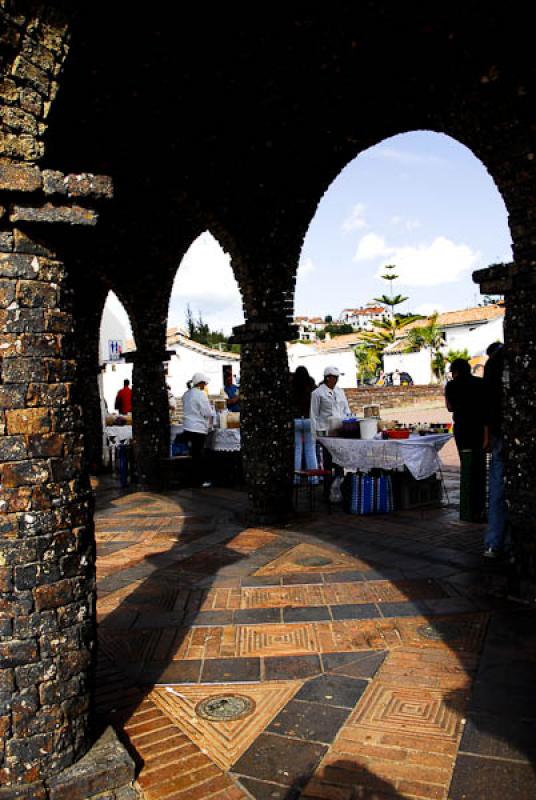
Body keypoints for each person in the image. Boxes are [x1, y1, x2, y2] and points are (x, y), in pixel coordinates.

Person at [445, 358, 486, 521]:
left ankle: (468, 507)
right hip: (479, 427)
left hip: (462, 428)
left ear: (454, 372)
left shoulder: (451, 385)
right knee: (480, 466)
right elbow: (485, 408)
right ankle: (479, 506)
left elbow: (450, 407)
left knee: (466, 464)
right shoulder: (480, 383)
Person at [482, 342, 508, 558]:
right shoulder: (498, 361)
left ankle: (494, 542)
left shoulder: (493, 363)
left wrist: (487, 434)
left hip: (498, 430)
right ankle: (497, 542)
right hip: (501, 430)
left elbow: (488, 405)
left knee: (498, 488)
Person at [310, 366, 350, 495]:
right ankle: (328, 491)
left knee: (340, 461)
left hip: (339, 431)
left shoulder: (340, 392)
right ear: (328, 378)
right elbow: (314, 414)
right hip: (325, 432)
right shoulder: (317, 393)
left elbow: (346, 410)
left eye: (337, 377)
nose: (336, 380)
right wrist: (315, 434)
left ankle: (340, 489)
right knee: (328, 462)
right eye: (334, 377)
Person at [182, 372, 213, 488]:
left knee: (192, 454)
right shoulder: (200, 395)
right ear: (200, 383)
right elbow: (208, 412)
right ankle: (199, 481)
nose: (205, 386)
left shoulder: (186, 394)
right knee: (198, 455)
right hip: (198, 428)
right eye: (204, 384)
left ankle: (191, 479)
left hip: (187, 426)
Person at [291, 366, 318, 482]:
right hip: (308, 419)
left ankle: (296, 479)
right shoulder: (311, 386)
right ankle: (314, 478)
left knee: (297, 450)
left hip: (296, 419)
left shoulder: (291, 386)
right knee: (310, 449)